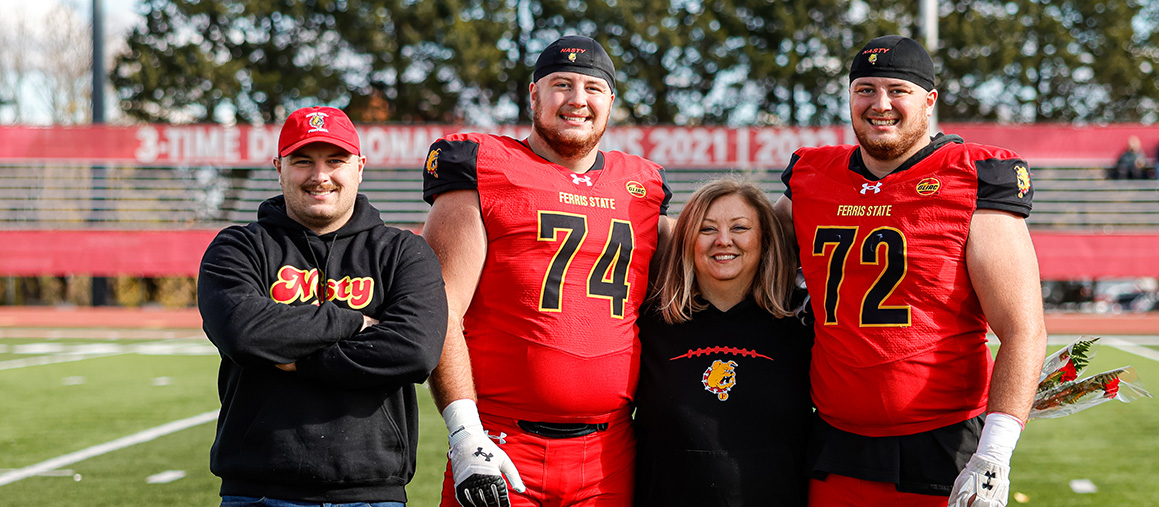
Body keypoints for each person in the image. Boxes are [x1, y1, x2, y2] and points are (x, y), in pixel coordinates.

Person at [773, 35, 1048, 506]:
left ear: (929, 100)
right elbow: (747, 256)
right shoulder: (811, 174)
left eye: (897, 89)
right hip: (834, 439)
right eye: (865, 89)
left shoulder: (972, 175)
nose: (880, 104)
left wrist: (995, 454)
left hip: (940, 444)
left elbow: (1023, 328)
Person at [421, 35, 673, 507]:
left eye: (593, 89)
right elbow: (442, 310)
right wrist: (465, 434)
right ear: (534, 95)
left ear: (611, 102)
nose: (578, 100)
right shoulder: (485, 165)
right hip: (502, 443)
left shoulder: (643, 183)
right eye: (562, 85)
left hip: (610, 452)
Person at [197, 106, 448, 506]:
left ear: (360, 167)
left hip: (371, 495)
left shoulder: (403, 252)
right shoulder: (238, 247)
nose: (320, 177)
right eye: (303, 162)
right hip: (258, 492)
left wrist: (299, 359)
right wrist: (353, 322)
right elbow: (242, 332)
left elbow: (414, 351)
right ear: (279, 167)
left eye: (335, 161)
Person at [634, 178, 813, 507]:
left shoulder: (802, 323)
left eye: (740, 227)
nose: (724, 241)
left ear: (765, 238)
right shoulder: (647, 323)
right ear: (687, 239)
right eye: (707, 229)